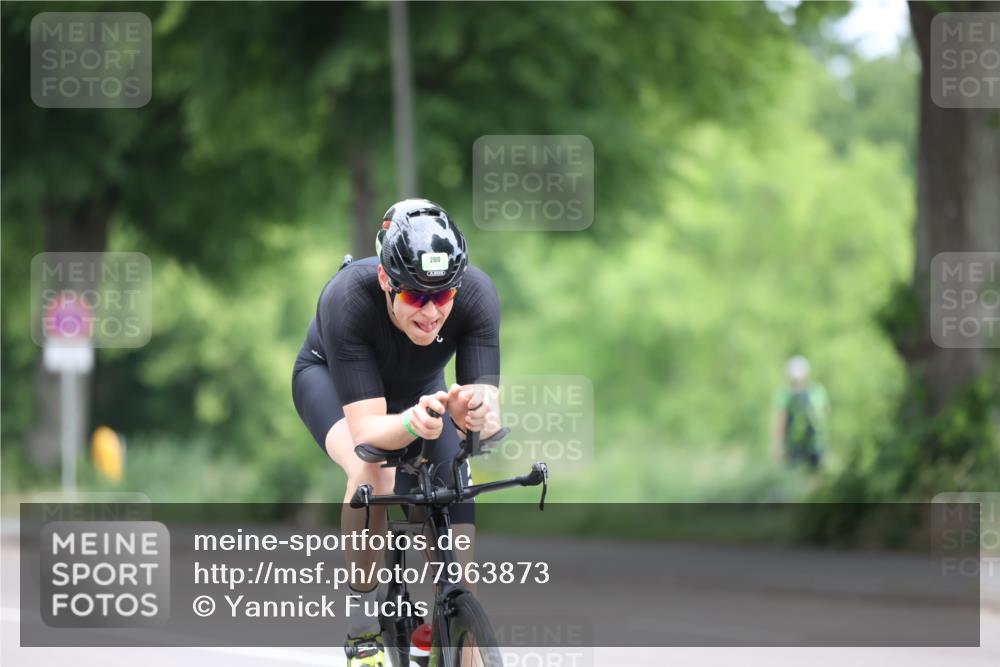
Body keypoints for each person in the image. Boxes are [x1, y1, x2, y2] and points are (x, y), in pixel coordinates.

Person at [291, 198, 502, 666]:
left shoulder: (477, 294)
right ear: (387, 281)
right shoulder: (347, 297)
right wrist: (411, 422)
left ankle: (446, 620)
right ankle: (362, 625)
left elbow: (488, 414)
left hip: (421, 391)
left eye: (443, 296)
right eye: (416, 297)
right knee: (373, 470)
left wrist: (476, 411)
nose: (431, 312)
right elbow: (367, 428)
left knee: (453, 488)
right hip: (330, 382)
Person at [770, 355, 830, 470]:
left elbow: (780, 421)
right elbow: (825, 416)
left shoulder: (784, 395)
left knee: (798, 479)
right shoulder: (818, 391)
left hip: (799, 446)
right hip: (815, 445)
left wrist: (776, 445)